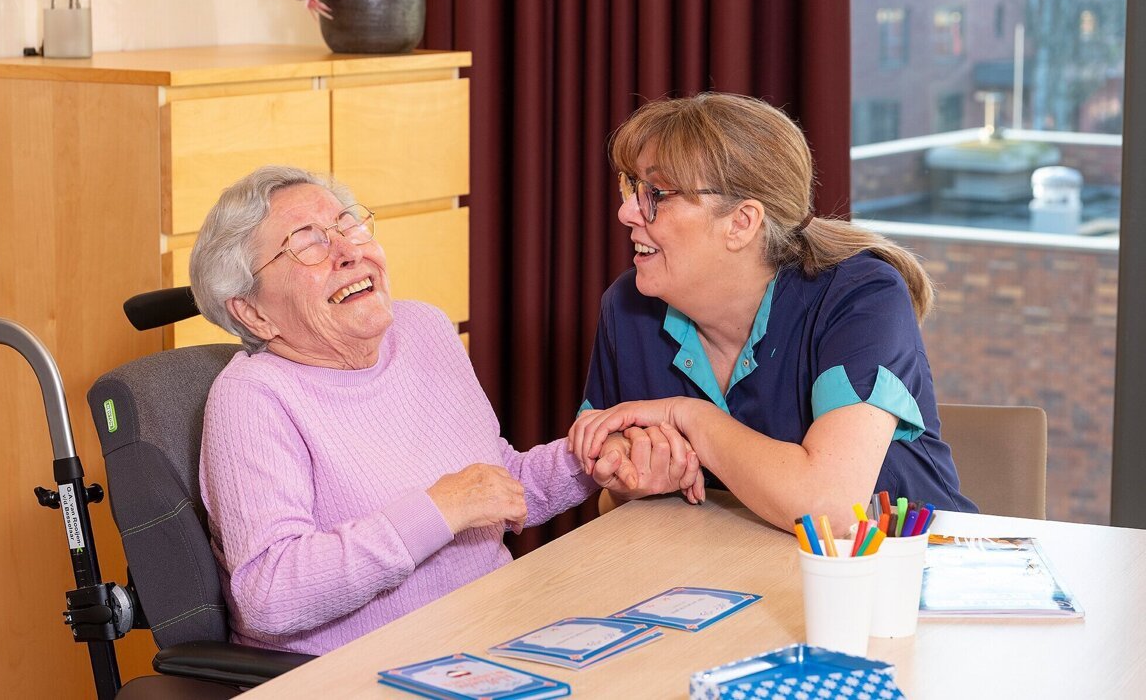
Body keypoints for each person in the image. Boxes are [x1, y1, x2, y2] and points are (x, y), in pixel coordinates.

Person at [189, 166, 702, 655]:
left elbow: (495, 484)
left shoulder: (423, 330)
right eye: (307, 244)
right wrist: (439, 509)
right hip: (362, 670)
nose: (347, 252)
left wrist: (595, 459)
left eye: (348, 226)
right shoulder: (253, 398)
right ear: (253, 312)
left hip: (490, 635)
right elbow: (269, 594)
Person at [569, 93, 977, 534]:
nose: (626, 212)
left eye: (656, 194)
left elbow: (829, 510)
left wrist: (688, 415)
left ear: (742, 223)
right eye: (631, 187)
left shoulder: (862, 296)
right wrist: (633, 482)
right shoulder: (628, 308)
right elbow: (611, 504)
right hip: (726, 575)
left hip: (906, 577)